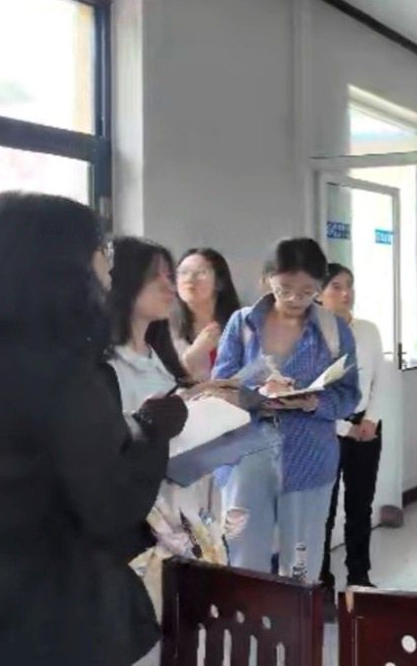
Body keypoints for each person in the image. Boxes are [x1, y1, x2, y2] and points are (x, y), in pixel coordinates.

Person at [0, 193, 187, 666]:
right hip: (51, 614)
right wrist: (152, 432)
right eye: (102, 249)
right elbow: (110, 508)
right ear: (62, 265)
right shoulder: (61, 376)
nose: (109, 266)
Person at [106, 237, 239, 632]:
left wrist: (207, 403)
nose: (171, 287)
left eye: (170, 275)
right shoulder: (105, 365)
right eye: (158, 277)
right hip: (143, 518)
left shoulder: (158, 356)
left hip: (189, 508)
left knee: (187, 625)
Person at [213, 238, 360, 576]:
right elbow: (219, 386)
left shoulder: (333, 330)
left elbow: (349, 394)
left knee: (301, 560)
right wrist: (259, 392)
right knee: (244, 555)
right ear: (268, 280)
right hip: (245, 455)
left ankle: (298, 612)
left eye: (307, 291)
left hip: (309, 455)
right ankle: (249, 611)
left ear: (319, 286)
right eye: (285, 290)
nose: (295, 299)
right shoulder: (243, 324)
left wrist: (314, 402)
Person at [318, 263, 396, 589]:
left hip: (366, 428)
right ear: (319, 293)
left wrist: (371, 419)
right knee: (323, 509)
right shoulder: (312, 335)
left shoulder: (368, 330)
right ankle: (321, 580)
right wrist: (342, 428)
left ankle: (359, 576)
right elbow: (312, 393)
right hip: (326, 430)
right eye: (336, 286)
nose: (345, 293)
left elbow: (382, 377)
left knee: (360, 506)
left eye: (349, 285)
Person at [174, 247, 243, 382]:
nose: (189, 279)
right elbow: (160, 383)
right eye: (183, 272)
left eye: (200, 272)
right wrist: (192, 356)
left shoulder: (242, 325)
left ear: (219, 282)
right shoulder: (163, 328)